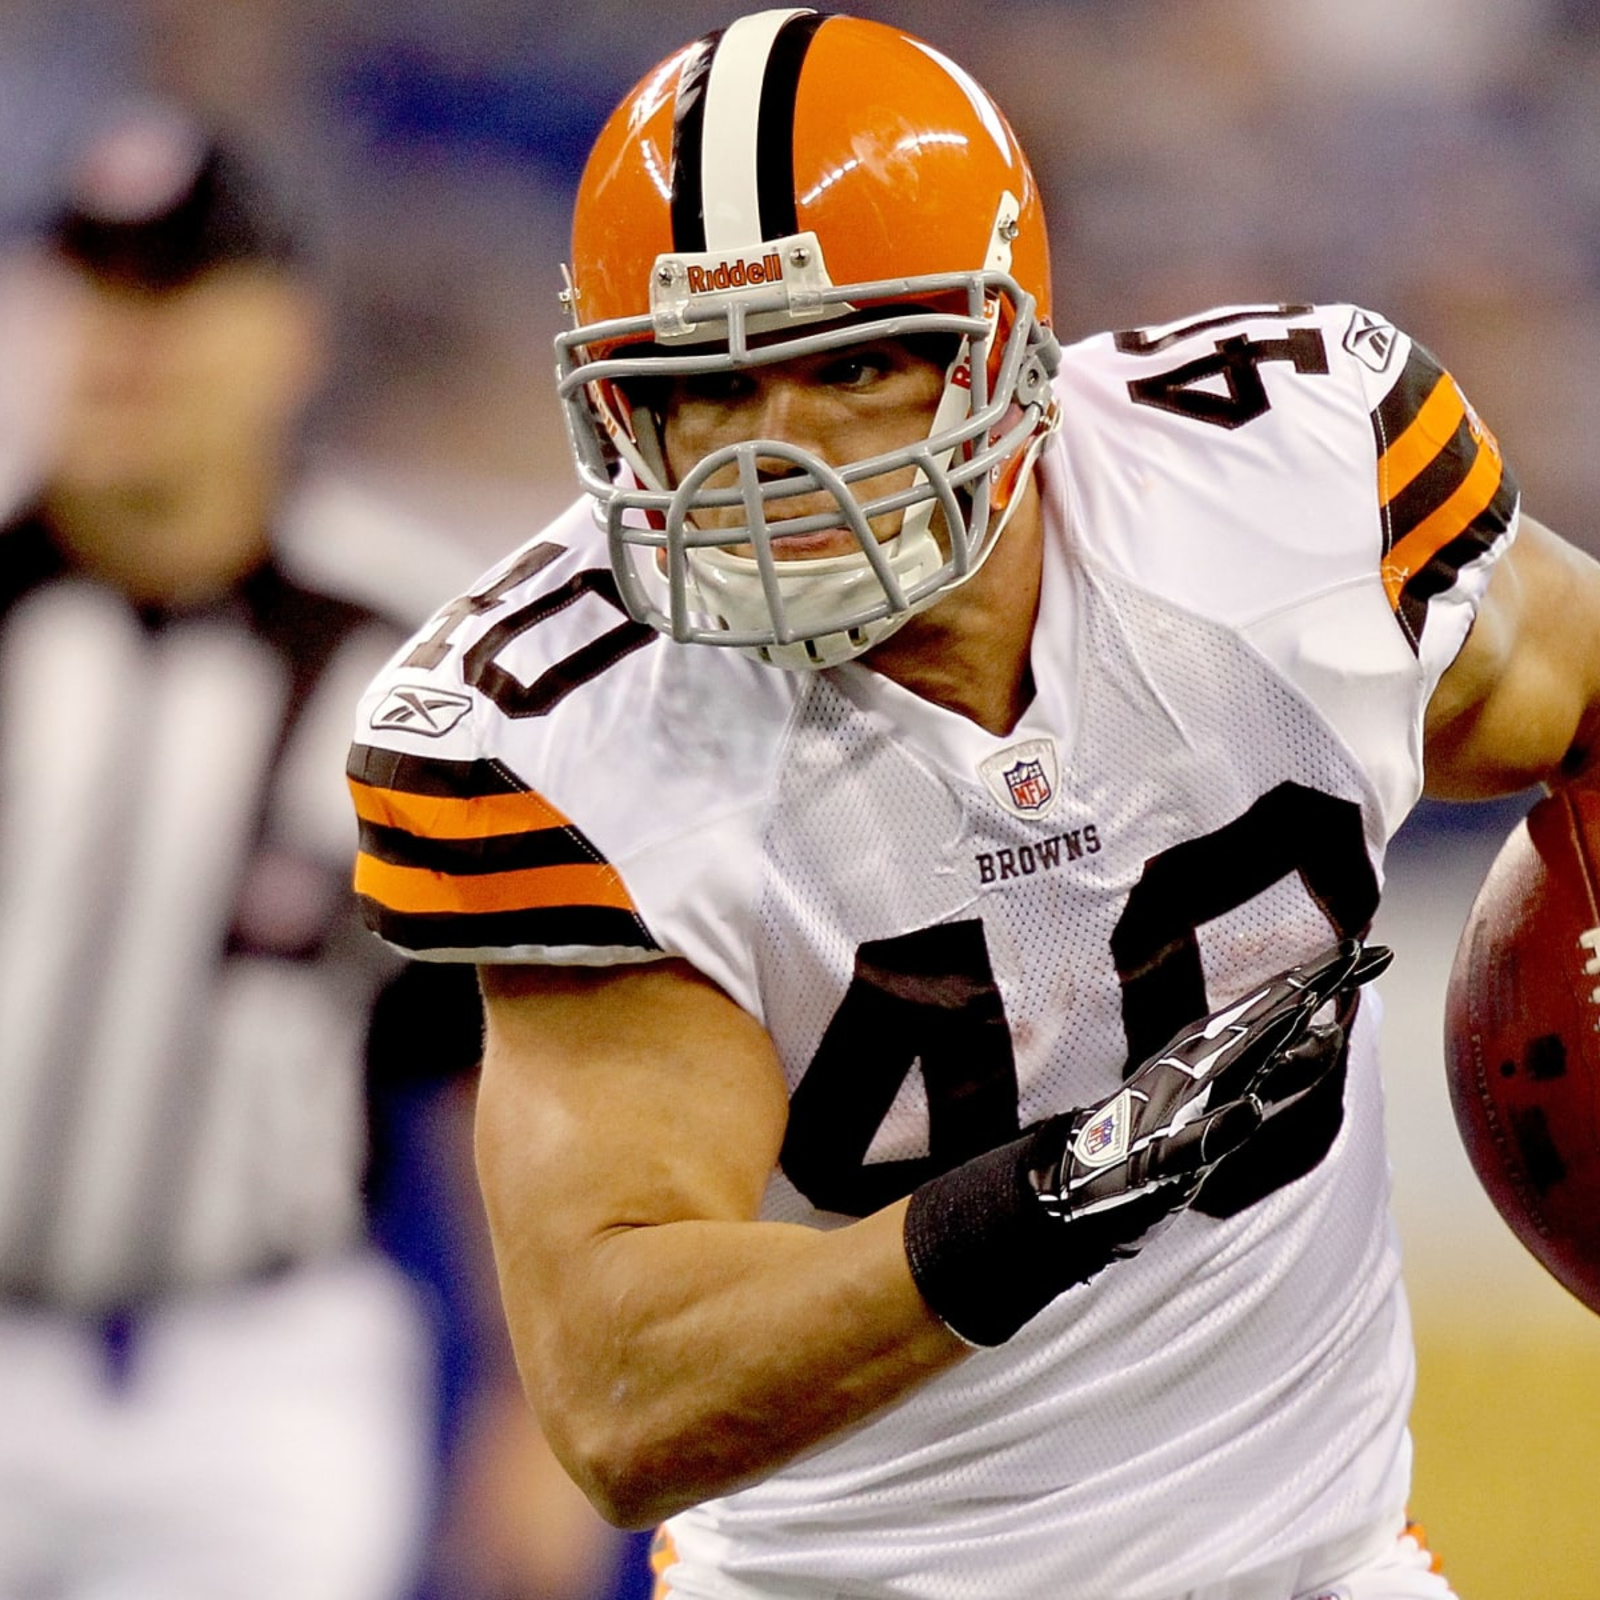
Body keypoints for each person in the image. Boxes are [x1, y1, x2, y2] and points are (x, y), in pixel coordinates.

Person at [346, 11, 1600, 1599]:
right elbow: (623, 1389)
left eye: (854, 364)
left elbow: (1585, 686)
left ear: (1008, 351)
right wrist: (1061, 1193)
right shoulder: (583, 734)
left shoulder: (1276, 503)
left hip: (1325, 1565)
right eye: (701, 390)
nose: (771, 462)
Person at [0, 101, 492, 1600]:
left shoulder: (414, 660)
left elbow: (498, 1052)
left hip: (264, 1369)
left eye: (174, 291)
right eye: (94, 285)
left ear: (285, 331)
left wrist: (531, 1404)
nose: (123, 340)